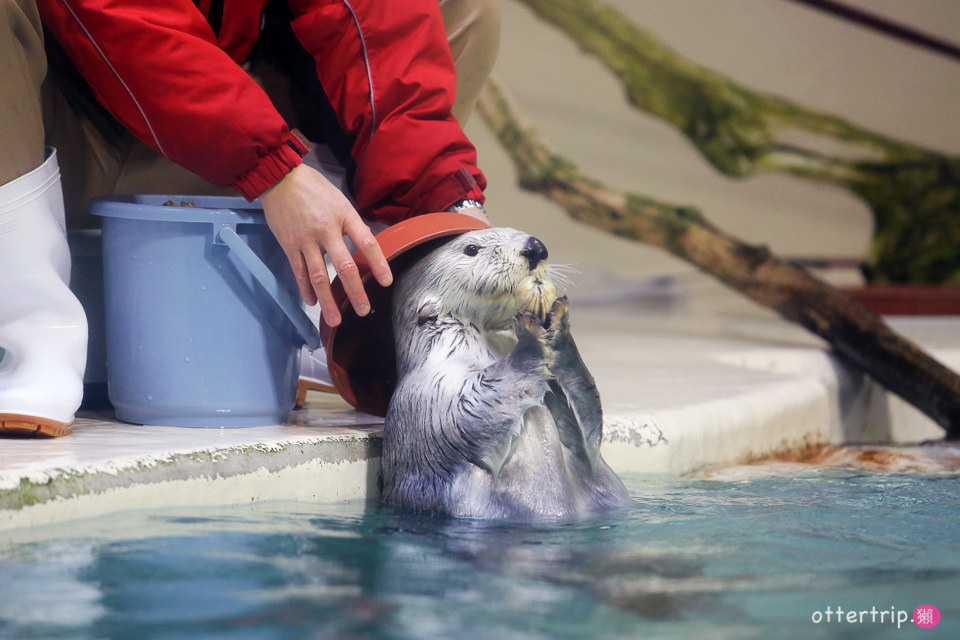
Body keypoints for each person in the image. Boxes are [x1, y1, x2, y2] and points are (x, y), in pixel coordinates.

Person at [0, 0, 499, 437]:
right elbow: (126, 19)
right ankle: (27, 338)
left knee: (461, 10)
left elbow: (381, 23)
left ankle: (338, 314)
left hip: (211, 147)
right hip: (61, 126)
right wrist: (272, 169)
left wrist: (449, 202)